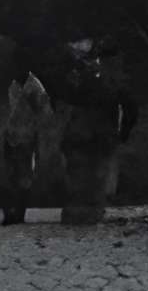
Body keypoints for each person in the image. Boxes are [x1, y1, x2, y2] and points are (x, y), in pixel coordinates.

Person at [57, 38, 140, 226]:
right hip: (100, 133)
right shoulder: (112, 79)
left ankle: (76, 212)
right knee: (96, 174)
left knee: (79, 172)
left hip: (80, 131)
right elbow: (129, 107)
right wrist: (123, 133)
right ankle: (90, 212)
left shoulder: (78, 75)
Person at [0, 51, 52, 225]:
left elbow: (46, 114)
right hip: (12, 136)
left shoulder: (35, 87)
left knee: (25, 176)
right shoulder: (14, 84)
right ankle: (11, 212)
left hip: (27, 138)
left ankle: (19, 213)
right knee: (12, 176)